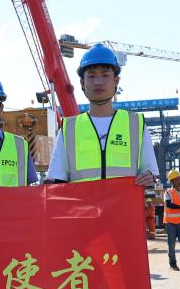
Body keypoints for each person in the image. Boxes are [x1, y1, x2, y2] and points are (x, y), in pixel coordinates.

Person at [44, 44, 156, 187]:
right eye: (91, 76)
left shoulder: (136, 125)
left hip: (124, 202)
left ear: (116, 81)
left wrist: (149, 177)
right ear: (82, 82)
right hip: (83, 202)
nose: (98, 82)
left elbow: (150, 172)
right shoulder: (68, 129)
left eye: (105, 75)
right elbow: (56, 181)